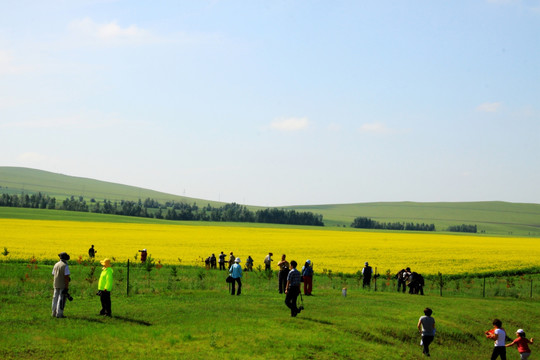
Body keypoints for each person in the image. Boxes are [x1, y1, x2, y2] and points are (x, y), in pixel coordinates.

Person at [52, 252, 71, 318]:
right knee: (61, 299)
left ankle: (53, 313)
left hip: (56, 283)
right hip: (62, 284)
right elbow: (66, 277)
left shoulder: (56, 264)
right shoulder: (65, 266)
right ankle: (59, 314)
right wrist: (66, 287)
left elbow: (53, 273)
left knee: (55, 298)